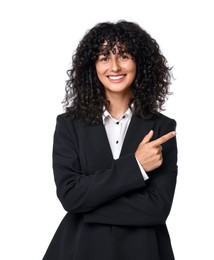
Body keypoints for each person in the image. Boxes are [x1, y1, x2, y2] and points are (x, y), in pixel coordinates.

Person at [43, 20, 178, 260]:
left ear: (140, 62)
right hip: (81, 250)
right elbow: (70, 196)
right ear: (93, 66)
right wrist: (136, 167)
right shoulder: (69, 125)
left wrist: (87, 206)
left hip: (143, 251)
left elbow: (157, 209)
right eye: (104, 57)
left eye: (123, 56)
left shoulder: (162, 128)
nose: (114, 67)